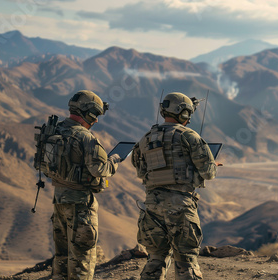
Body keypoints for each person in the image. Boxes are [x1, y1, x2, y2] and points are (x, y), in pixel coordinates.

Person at [131, 92, 218, 280]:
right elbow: (208, 173)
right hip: (180, 206)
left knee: (155, 258)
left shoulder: (145, 139)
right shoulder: (190, 136)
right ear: (183, 113)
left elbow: (140, 172)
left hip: (152, 207)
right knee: (186, 261)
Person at [50, 90, 120, 280]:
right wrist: (114, 160)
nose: (96, 120)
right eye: (95, 115)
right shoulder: (86, 138)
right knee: (82, 261)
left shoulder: (56, 130)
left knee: (62, 258)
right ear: (86, 112)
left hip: (59, 200)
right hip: (80, 206)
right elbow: (99, 170)